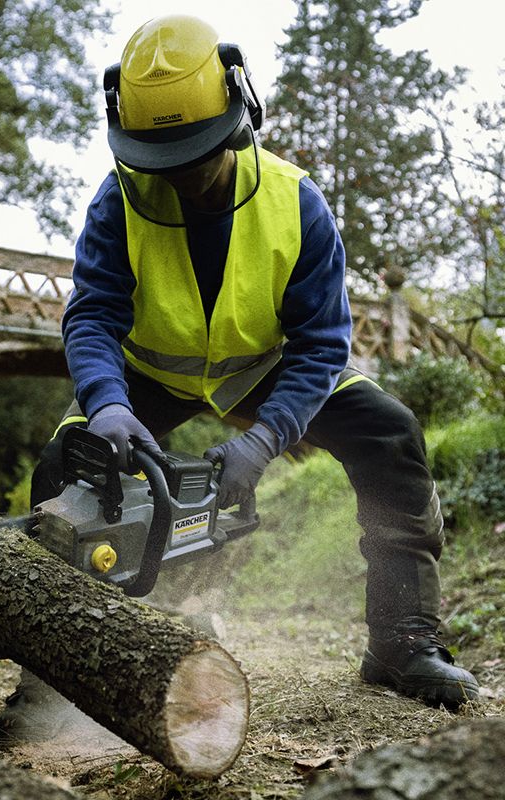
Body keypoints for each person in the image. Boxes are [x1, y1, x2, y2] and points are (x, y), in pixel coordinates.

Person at [29, 14, 478, 709]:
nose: (180, 179)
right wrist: (107, 402)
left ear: (239, 118)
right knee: (65, 462)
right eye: (162, 163)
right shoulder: (118, 200)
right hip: (147, 377)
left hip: (262, 368)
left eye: (196, 158)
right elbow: (92, 315)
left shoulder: (297, 204)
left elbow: (324, 342)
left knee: (388, 433)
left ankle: (402, 638)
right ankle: (52, 669)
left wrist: (269, 435)